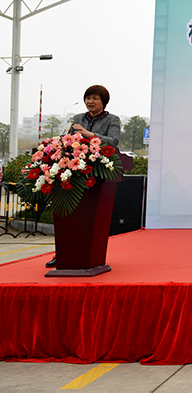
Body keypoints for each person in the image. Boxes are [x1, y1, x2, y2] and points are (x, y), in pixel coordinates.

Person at [46, 84, 121, 268]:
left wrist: (90, 135)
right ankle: (62, 254)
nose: (90, 101)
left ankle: (90, 255)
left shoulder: (112, 119)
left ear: (103, 101)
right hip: (72, 172)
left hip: (97, 174)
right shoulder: (78, 118)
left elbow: (113, 142)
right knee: (69, 216)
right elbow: (67, 139)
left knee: (89, 218)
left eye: (95, 98)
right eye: (88, 98)